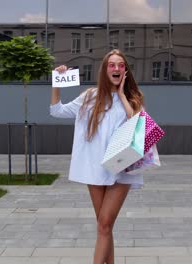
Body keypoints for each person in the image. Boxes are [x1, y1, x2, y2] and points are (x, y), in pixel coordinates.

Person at [50, 49, 144, 264]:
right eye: (112, 65)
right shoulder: (90, 97)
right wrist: (56, 82)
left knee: (104, 224)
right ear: (105, 70)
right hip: (96, 168)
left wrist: (121, 95)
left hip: (122, 168)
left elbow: (137, 124)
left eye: (121, 65)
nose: (117, 68)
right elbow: (57, 111)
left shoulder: (133, 98)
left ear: (126, 71)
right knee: (104, 225)